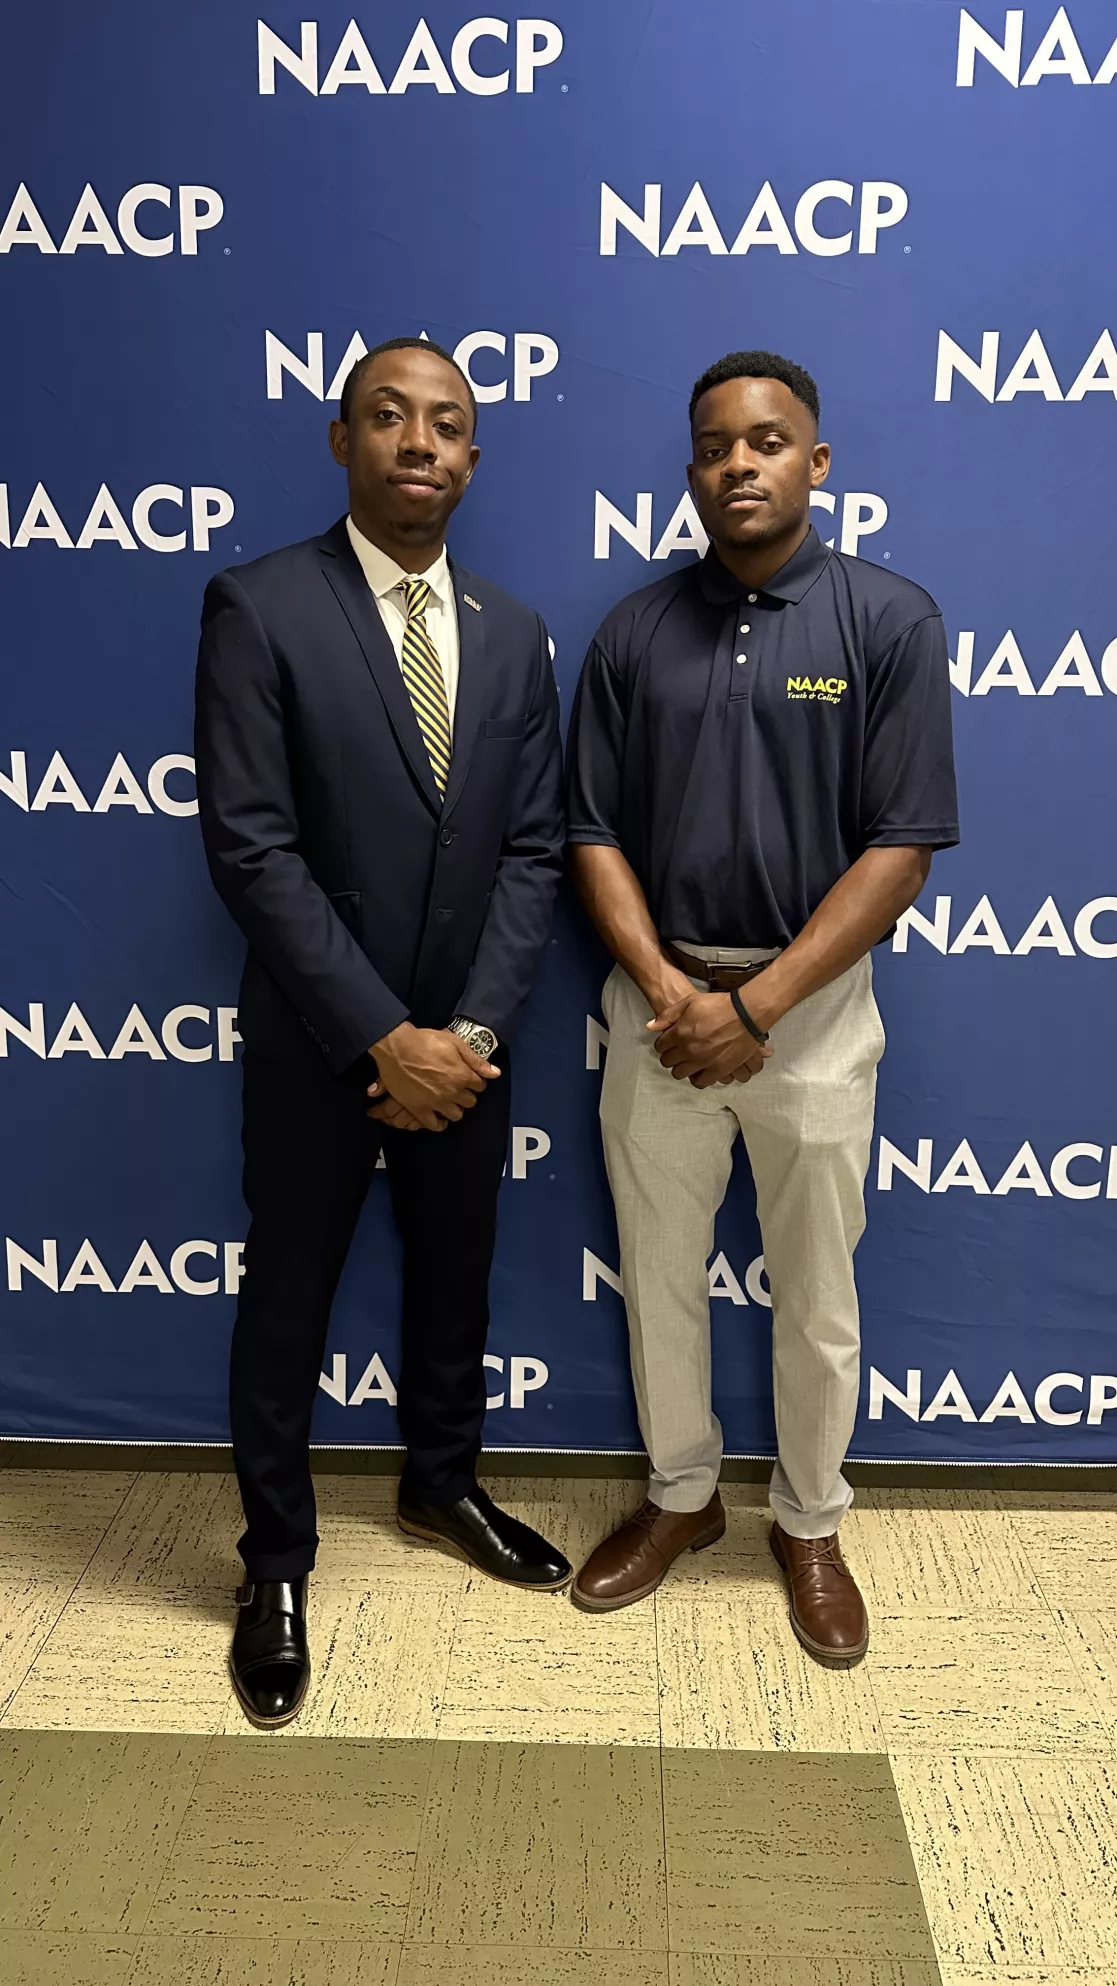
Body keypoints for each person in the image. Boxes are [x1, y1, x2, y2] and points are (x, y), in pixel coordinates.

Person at [196, 336, 570, 1728]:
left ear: (474, 458)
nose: (422, 441)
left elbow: (535, 851)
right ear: (340, 438)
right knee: (286, 1294)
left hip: (467, 1050)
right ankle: (274, 1562)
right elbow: (250, 846)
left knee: (454, 1275)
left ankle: (440, 1479)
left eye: (450, 424)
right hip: (316, 1043)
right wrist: (378, 1035)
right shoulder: (258, 605)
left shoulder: (519, 630)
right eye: (391, 417)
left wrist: (464, 1032)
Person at [564, 349, 958, 1664]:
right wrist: (680, 994)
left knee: (816, 1288)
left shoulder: (890, 620)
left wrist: (763, 1003)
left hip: (818, 1011)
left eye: (769, 440)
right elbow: (591, 834)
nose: (742, 461)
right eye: (717, 445)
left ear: (817, 462)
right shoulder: (633, 631)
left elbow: (897, 849)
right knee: (661, 1279)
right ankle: (682, 1498)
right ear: (691, 471)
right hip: (659, 1005)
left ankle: (810, 1518)